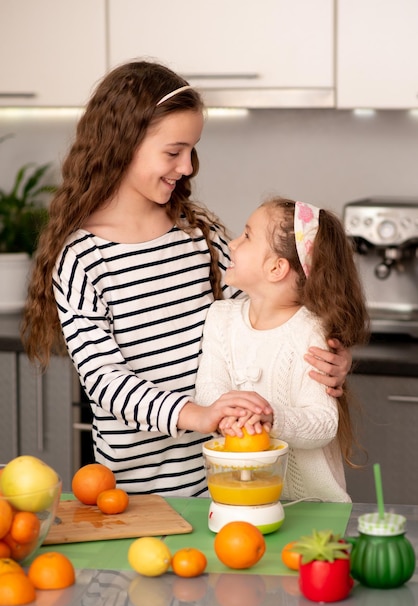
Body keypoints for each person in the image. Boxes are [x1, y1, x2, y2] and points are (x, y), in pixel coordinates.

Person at [21, 61, 351, 497]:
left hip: (226, 480)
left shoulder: (198, 236)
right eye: (174, 152)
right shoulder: (83, 259)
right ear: (123, 144)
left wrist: (329, 361)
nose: (188, 166)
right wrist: (198, 414)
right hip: (136, 491)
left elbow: (268, 313)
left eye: (192, 150)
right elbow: (104, 380)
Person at [195, 197, 369, 502]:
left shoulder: (312, 332)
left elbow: (324, 423)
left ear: (276, 268)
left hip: (312, 506)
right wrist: (231, 414)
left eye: (247, 235)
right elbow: (209, 391)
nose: (233, 244)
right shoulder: (220, 318)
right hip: (240, 493)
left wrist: (270, 419)